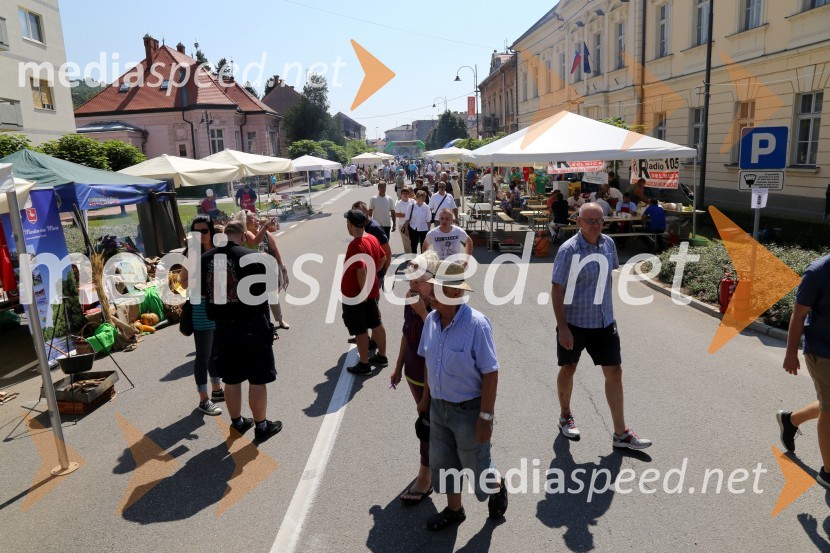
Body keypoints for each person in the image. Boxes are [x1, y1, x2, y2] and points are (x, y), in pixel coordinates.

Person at [551, 203, 652, 450]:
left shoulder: (608, 244)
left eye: (599, 221)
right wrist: (562, 327)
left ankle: (621, 433)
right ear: (579, 222)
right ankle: (565, 415)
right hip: (575, 323)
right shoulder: (568, 250)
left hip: (604, 321)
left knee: (615, 372)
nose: (595, 226)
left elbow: (607, 277)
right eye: (590, 221)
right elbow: (557, 289)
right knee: (569, 368)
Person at [417, 261, 508, 531]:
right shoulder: (431, 321)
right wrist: (425, 398)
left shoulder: (477, 325)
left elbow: (491, 373)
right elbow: (428, 362)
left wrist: (486, 416)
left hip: (469, 412)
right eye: (431, 289)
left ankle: (498, 486)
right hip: (438, 407)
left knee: (478, 469)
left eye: (437, 290)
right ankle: (454, 510)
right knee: (445, 464)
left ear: (455, 293)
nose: (430, 295)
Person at [200, 221, 282, 443]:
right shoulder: (252, 257)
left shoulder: (206, 259)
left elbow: (202, 293)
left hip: (223, 327)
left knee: (231, 378)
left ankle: (237, 422)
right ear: (243, 236)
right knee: (257, 378)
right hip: (252, 324)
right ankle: (261, 426)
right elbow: (271, 289)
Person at [390, 250, 440, 505]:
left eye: (418, 280)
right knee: (430, 426)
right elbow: (405, 334)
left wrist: (422, 312)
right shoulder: (411, 298)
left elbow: (436, 347)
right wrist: (398, 366)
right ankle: (434, 468)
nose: (412, 285)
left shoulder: (442, 307)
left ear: (432, 282)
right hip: (414, 374)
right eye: (410, 280)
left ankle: (425, 476)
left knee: (428, 427)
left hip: (432, 379)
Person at [777, 254, 830, 487]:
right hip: (823, 352)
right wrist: (790, 353)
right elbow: (798, 314)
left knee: (828, 403)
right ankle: (828, 472)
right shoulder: (818, 271)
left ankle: (791, 420)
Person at [179, 215, 224, 415]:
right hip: (201, 307)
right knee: (203, 354)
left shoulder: (218, 249)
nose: (200, 235)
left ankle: (217, 389)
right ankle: (203, 399)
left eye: (204, 231)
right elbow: (183, 282)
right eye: (195, 232)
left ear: (211, 231)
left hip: (220, 305)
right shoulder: (191, 253)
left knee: (216, 351)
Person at [342, 209, 388, 375]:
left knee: (360, 329)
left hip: (358, 294)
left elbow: (360, 271)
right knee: (376, 323)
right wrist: (373, 272)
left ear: (350, 225)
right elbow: (383, 258)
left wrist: (362, 293)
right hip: (372, 290)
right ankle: (382, 357)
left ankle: (364, 364)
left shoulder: (356, 244)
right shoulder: (372, 238)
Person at [237, 211, 290, 336]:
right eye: (252, 219)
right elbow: (255, 241)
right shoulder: (245, 235)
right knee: (261, 302)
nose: (255, 220)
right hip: (252, 273)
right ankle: (267, 328)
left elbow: (275, 248)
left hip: (267, 269)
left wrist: (281, 265)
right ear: (245, 221)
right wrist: (265, 226)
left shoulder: (264, 233)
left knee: (272, 296)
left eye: (256, 218)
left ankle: (280, 320)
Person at [395, 187, 415, 255]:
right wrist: (408, 215)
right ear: (401, 195)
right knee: (406, 242)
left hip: (412, 224)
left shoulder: (412, 201)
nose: (405, 195)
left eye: (406, 193)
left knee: (412, 241)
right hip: (402, 225)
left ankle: (413, 255)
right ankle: (409, 257)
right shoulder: (398, 203)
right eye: (403, 193)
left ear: (409, 194)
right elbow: (397, 214)